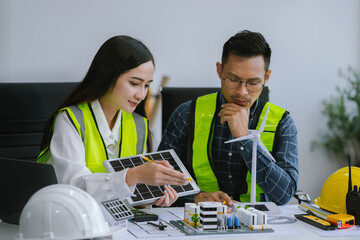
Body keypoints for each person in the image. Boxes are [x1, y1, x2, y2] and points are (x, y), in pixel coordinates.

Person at [38, 35, 187, 206]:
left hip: (118, 226)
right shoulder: (70, 120)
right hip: (68, 222)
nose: (141, 95)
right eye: (134, 83)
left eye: (146, 85)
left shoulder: (139, 124)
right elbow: (73, 189)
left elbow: (131, 197)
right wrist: (134, 175)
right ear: (108, 76)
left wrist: (153, 195)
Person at [158, 30, 298, 206]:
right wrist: (196, 197)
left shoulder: (282, 122)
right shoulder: (186, 114)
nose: (242, 92)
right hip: (199, 220)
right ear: (219, 70)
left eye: (253, 83)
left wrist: (244, 138)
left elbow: (285, 194)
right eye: (233, 79)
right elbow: (158, 183)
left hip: (259, 226)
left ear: (266, 77)